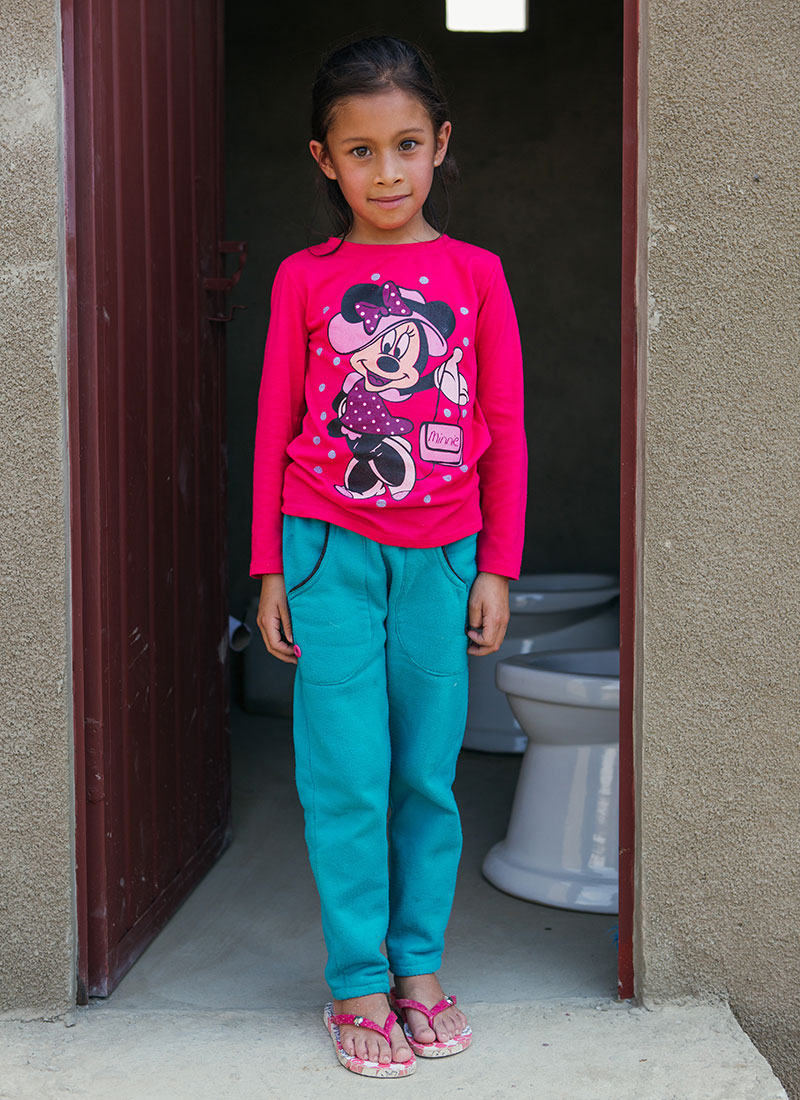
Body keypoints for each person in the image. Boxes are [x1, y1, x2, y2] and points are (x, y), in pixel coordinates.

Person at [251, 35, 527, 1079]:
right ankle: (355, 981)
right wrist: (271, 569)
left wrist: (494, 564)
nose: (385, 172)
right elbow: (276, 421)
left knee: (423, 773)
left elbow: (503, 422)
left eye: (405, 145)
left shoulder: (476, 277)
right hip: (325, 550)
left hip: (444, 556)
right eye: (358, 151)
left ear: (439, 144)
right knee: (345, 776)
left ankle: (418, 971)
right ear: (324, 161)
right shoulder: (302, 281)